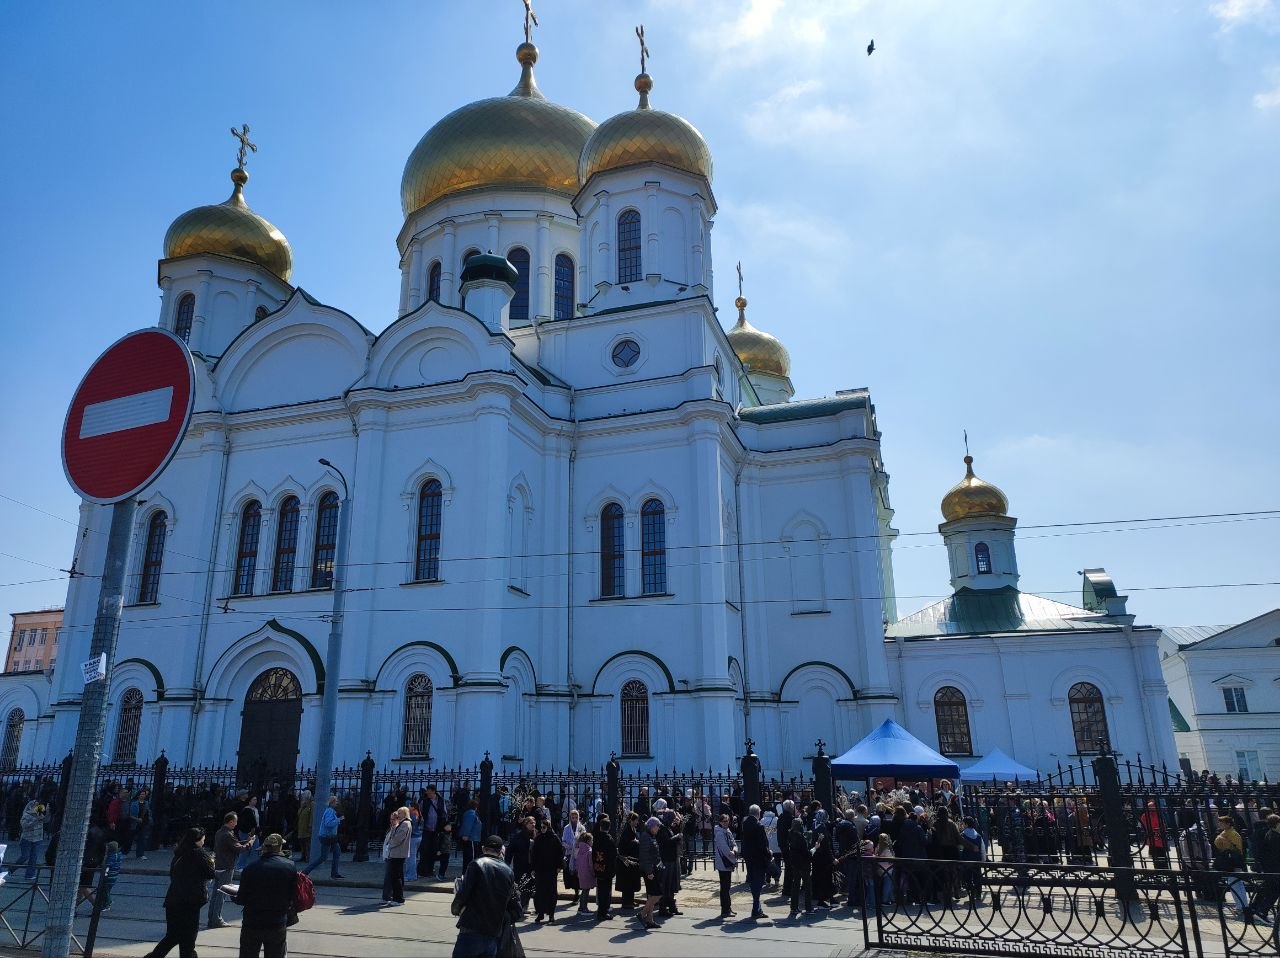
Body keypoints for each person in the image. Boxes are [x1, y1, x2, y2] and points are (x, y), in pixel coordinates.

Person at [144, 827, 216, 958]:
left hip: (174, 899)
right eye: (203, 840)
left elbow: (173, 874)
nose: (204, 842)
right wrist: (212, 861)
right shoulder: (199, 853)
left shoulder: (179, 853)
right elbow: (211, 872)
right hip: (190, 901)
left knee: (173, 935)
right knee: (189, 938)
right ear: (197, 840)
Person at [451, 835, 521, 958]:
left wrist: (456, 910)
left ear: (483, 849)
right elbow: (514, 905)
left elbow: (463, 894)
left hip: (472, 930)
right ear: (500, 851)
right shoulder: (509, 871)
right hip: (493, 934)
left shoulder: (476, 864)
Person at [236, 832, 297, 958]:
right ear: (279, 848)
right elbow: (293, 895)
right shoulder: (289, 866)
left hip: (252, 922)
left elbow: (241, 899)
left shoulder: (250, 868)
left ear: (263, 849)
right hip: (277, 922)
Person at [210, 812, 251, 929]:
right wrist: (249, 844)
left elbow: (233, 844)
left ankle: (211, 918)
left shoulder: (219, 832)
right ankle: (217, 919)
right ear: (231, 821)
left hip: (218, 866)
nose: (236, 824)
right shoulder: (228, 834)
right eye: (235, 821)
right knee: (222, 895)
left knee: (215, 894)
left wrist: (245, 841)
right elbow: (238, 848)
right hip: (226, 867)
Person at [301, 796, 345, 879]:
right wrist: (339, 820)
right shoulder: (330, 811)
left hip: (328, 836)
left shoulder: (330, 810)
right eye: (336, 801)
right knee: (327, 855)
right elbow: (328, 824)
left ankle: (306, 872)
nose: (337, 803)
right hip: (328, 837)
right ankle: (306, 872)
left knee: (328, 855)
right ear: (332, 803)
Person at [740, 804, 770, 920]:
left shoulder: (745, 823)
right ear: (758, 813)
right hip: (758, 858)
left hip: (749, 857)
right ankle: (756, 910)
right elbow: (763, 845)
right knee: (758, 883)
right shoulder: (759, 825)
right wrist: (769, 854)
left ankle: (758, 909)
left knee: (753, 882)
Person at [531, 818, 563, 923]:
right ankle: (540, 913)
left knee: (551, 892)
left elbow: (560, 852)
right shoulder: (538, 838)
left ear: (548, 827)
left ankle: (551, 914)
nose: (542, 829)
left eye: (544, 827)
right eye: (541, 827)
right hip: (540, 869)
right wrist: (533, 868)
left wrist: (559, 866)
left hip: (551, 869)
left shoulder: (554, 838)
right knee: (540, 892)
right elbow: (534, 854)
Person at [504, 815, 535, 914]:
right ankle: (518, 907)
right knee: (520, 886)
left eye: (534, 823)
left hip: (531, 866)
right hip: (520, 865)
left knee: (529, 886)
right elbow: (509, 850)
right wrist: (507, 863)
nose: (533, 825)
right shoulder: (518, 836)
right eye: (531, 823)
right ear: (525, 824)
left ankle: (525, 906)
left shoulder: (535, 835)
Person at [637, 817, 663, 930]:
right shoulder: (645, 837)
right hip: (649, 870)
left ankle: (650, 919)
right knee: (657, 894)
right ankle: (642, 914)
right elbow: (645, 856)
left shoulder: (651, 836)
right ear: (652, 826)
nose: (658, 828)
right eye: (657, 826)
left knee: (651, 895)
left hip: (654, 868)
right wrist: (649, 872)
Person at [382, 805, 411, 906]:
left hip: (398, 853)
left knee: (396, 876)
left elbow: (398, 839)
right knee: (396, 876)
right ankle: (397, 897)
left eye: (399, 813)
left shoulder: (405, 824)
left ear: (404, 814)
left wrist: (390, 844)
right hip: (397, 853)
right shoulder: (402, 823)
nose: (398, 814)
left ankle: (398, 899)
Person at [713, 812, 739, 919]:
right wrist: (732, 856)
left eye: (727, 821)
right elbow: (724, 849)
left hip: (728, 862)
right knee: (724, 887)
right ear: (720, 822)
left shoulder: (728, 831)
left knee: (727, 887)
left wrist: (735, 850)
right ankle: (725, 910)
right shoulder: (719, 833)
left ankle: (728, 907)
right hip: (723, 863)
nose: (726, 823)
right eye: (724, 821)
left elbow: (734, 844)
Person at [591, 814, 617, 920]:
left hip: (598, 867)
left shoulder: (596, 838)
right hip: (607, 869)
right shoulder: (609, 839)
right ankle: (603, 912)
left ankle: (600, 912)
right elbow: (613, 855)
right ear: (609, 828)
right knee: (606, 891)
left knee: (601, 890)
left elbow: (593, 853)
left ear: (601, 827)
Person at [787, 819, 813, 918]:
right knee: (807, 886)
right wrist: (814, 849)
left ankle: (794, 907)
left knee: (796, 885)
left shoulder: (791, 835)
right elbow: (806, 852)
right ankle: (808, 908)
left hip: (795, 863)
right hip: (803, 864)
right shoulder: (800, 837)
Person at [616, 811, 641, 910]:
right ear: (631, 821)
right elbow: (624, 846)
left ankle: (630, 900)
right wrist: (635, 842)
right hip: (626, 860)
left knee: (632, 881)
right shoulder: (626, 831)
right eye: (636, 820)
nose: (637, 822)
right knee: (627, 882)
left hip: (632, 859)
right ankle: (626, 902)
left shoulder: (633, 829)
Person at [18, 799, 46, 881]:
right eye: (35, 805)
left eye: (38, 806)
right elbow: (24, 826)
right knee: (25, 856)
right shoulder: (26, 814)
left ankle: (29, 875)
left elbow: (46, 820)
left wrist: (48, 811)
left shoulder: (40, 814)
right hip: (27, 839)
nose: (37, 807)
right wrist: (35, 821)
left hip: (37, 839)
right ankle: (11, 869)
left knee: (33, 857)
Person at [1139, 801, 1169, 869]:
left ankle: (1158, 869)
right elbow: (1162, 827)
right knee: (1162, 858)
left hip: (1151, 839)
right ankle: (1164, 870)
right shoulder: (1157, 815)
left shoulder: (1144, 816)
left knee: (1155, 858)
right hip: (1159, 838)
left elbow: (1143, 826)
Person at [573, 830, 596, 912]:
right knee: (586, 891)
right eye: (592, 840)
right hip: (588, 874)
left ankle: (581, 907)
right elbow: (591, 864)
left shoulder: (580, 849)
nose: (592, 842)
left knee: (583, 890)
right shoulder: (589, 851)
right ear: (588, 841)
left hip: (581, 873)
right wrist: (594, 873)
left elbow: (577, 862)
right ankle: (584, 908)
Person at [237, 796, 261, 872]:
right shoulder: (247, 809)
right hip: (246, 832)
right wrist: (249, 832)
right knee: (245, 849)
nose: (255, 801)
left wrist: (258, 830)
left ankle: (253, 866)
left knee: (255, 849)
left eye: (256, 799)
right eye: (254, 799)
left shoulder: (256, 809)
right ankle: (240, 866)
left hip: (254, 832)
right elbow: (245, 822)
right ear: (249, 801)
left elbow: (257, 822)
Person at [458, 799, 482, 871]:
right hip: (471, 838)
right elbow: (468, 825)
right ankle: (469, 873)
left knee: (469, 857)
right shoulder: (471, 814)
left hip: (473, 838)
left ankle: (466, 873)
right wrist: (466, 834)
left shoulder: (471, 813)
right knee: (471, 857)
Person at [100, 841, 123, 911]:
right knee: (108, 890)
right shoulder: (118, 855)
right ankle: (108, 901)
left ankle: (107, 904)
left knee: (105, 890)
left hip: (109, 876)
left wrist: (104, 874)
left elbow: (107, 866)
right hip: (114, 875)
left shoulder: (111, 857)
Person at [405, 803, 422, 882]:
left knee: (410, 858)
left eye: (409, 806)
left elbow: (410, 826)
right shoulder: (419, 813)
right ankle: (412, 875)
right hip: (419, 836)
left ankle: (410, 876)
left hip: (413, 837)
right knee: (413, 857)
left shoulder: (411, 814)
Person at [295, 793, 313, 864]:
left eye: (304, 797)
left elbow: (311, 816)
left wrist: (310, 825)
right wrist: (302, 807)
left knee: (307, 842)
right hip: (301, 826)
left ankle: (308, 857)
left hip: (307, 826)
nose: (302, 799)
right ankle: (303, 856)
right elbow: (298, 814)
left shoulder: (311, 805)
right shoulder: (303, 805)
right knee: (302, 842)